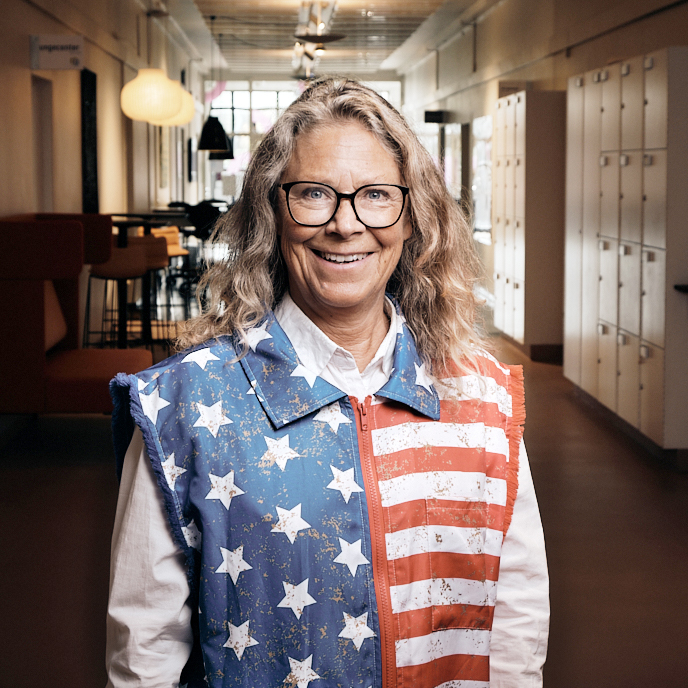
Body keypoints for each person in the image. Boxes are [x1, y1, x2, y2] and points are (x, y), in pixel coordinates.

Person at [107, 77, 549, 688]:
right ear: (272, 211)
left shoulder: (481, 400)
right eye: (314, 194)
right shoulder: (184, 404)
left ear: (411, 216)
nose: (346, 224)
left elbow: (515, 626)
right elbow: (144, 654)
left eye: (375, 195)